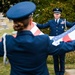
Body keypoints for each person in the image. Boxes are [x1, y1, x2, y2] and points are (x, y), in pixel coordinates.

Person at [0, 1, 75, 75]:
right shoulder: (43, 41)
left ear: (14, 23)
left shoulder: (6, 42)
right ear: (31, 21)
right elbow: (67, 46)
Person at [37, 8, 75, 75]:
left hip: (62, 43)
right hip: (54, 43)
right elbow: (42, 26)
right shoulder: (50, 22)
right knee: (55, 59)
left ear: (60, 15)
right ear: (54, 14)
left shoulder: (64, 21)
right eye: (55, 14)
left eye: (58, 14)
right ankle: (57, 72)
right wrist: (35, 24)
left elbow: (72, 25)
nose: (57, 15)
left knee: (62, 59)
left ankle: (62, 72)